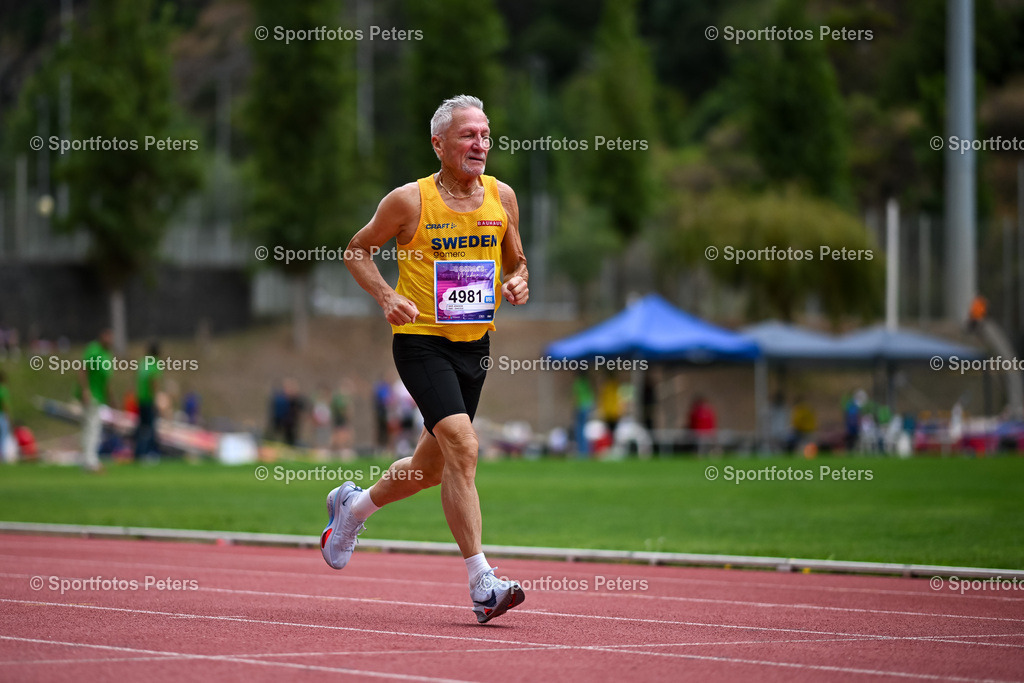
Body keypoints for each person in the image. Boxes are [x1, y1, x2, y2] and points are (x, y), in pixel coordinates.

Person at [322, 95, 529, 624]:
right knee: (464, 444)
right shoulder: (408, 202)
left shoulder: (502, 196)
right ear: (438, 144)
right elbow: (355, 249)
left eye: (485, 134)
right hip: (420, 340)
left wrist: (518, 279)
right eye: (468, 135)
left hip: (475, 346)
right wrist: (387, 297)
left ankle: (353, 508)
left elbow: (517, 259)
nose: (480, 144)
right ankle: (482, 582)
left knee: (429, 469)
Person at [78, 328, 114, 472]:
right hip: (91, 394)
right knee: (92, 428)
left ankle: (88, 460)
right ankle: (90, 462)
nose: (111, 339)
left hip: (98, 396)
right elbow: (83, 370)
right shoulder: (94, 350)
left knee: (92, 428)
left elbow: (107, 379)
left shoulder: (107, 354)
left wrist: (111, 398)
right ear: (102, 336)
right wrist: (85, 390)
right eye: (108, 336)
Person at [134, 341, 163, 461]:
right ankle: (148, 453)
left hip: (140, 399)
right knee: (150, 428)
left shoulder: (143, 363)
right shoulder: (155, 363)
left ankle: (138, 452)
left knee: (142, 427)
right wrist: (156, 400)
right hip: (149, 400)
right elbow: (154, 382)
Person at [571, 373, 594, 457]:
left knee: (580, 430)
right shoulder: (586, 382)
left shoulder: (578, 382)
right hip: (587, 407)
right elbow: (591, 395)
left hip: (581, 407)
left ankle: (582, 451)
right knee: (584, 430)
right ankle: (585, 451)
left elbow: (575, 396)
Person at [0, 371, 11, 460]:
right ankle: (2, 456)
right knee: (3, 436)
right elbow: (5, 405)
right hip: (1, 416)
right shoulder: (3, 389)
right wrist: (8, 417)